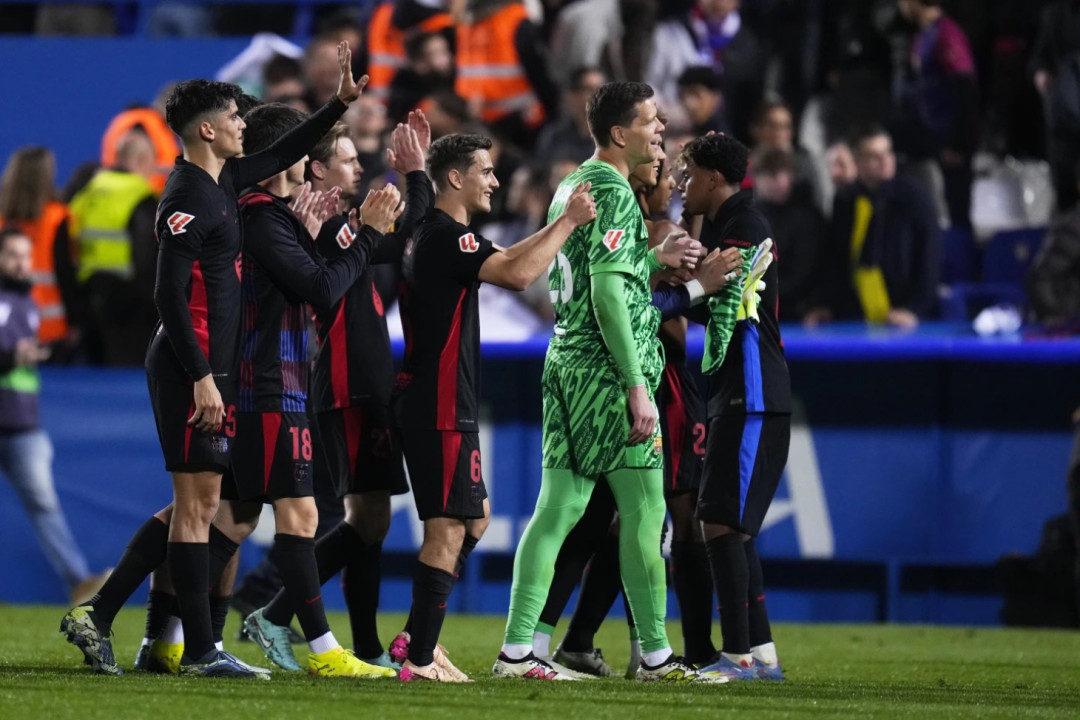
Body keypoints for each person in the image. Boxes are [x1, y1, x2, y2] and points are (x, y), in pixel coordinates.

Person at [59, 42, 366, 678]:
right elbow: (168, 294)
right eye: (232, 116)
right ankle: (196, 648)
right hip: (186, 364)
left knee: (198, 505)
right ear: (206, 128)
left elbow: (282, 153)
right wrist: (202, 377)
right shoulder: (185, 198)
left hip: (211, 367)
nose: (241, 125)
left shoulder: (220, 180)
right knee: (200, 506)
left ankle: (118, 620)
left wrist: (336, 103)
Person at [495, 81, 722, 684]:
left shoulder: (574, 185)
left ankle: (518, 652)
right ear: (620, 133)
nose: (660, 128)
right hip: (605, 372)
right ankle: (654, 657)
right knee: (648, 510)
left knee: (559, 508)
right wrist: (635, 384)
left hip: (565, 362)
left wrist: (653, 261)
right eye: (650, 121)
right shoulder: (616, 191)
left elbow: (605, 273)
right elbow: (608, 297)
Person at [392, 132, 597, 682]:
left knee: (473, 518)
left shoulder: (425, 232)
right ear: (455, 178)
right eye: (485, 170)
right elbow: (517, 272)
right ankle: (417, 659)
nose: (495, 181)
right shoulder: (446, 237)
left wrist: (413, 169)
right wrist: (568, 221)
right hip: (437, 401)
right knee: (447, 529)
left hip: (440, 398)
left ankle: (417, 637)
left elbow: (508, 261)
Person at [243, 114, 435, 673]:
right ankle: (276, 613)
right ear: (318, 167)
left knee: (367, 521)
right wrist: (415, 177)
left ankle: (363, 643)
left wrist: (413, 177)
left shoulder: (337, 224)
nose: (358, 167)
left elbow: (407, 227)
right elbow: (406, 230)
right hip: (346, 384)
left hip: (359, 382)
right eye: (348, 159)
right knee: (361, 519)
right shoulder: (324, 227)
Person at [678, 131, 788, 681]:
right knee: (731, 527)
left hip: (751, 393)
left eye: (688, 172)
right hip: (743, 392)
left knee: (719, 524)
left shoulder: (744, 229)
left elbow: (724, 304)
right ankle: (760, 654)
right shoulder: (736, 225)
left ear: (714, 178)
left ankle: (739, 656)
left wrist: (679, 287)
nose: (680, 182)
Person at [0, 228, 109, 605]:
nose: (21, 263)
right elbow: (13, 356)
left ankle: (79, 582)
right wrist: (14, 357)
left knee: (46, 507)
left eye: (25, 255)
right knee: (44, 507)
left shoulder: (27, 303)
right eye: (12, 254)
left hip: (22, 424)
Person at [805, 125, 942, 328]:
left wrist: (914, 310)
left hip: (903, 313)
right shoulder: (845, 201)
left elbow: (930, 260)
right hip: (854, 313)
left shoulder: (916, 199)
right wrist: (826, 304)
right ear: (857, 161)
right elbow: (835, 257)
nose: (885, 161)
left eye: (888, 152)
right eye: (874, 156)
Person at [66, 128, 160, 365]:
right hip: (129, 304)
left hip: (88, 295)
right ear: (140, 160)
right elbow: (147, 257)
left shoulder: (87, 191)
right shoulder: (140, 196)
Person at [894, 0, 978, 229]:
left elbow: (965, 90)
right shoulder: (922, 35)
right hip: (930, 141)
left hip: (950, 144)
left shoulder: (947, 34)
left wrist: (958, 145)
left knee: (957, 215)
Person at [0, 147, 75, 349]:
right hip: (50, 331)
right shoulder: (57, 218)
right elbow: (66, 276)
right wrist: (77, 323)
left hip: (5, 332)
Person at [752, 148, 825, 323]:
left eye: (784, 173)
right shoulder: (747, 217)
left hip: (797, 311)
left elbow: (804, 272)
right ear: (757, 179)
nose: (779, 181)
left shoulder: (806, 218)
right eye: (771, 174)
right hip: (755, 310)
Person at [1030, 0, 1080, 211]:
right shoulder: (1056, 13)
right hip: (1065, 115)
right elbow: (1039, 58)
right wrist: (1040, 74)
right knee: (1065, 188)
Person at [535, 67, 609, 167]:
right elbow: (539, 170)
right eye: (590, 90)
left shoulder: (618, 138)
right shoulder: (555, 137)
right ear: (572, 96)